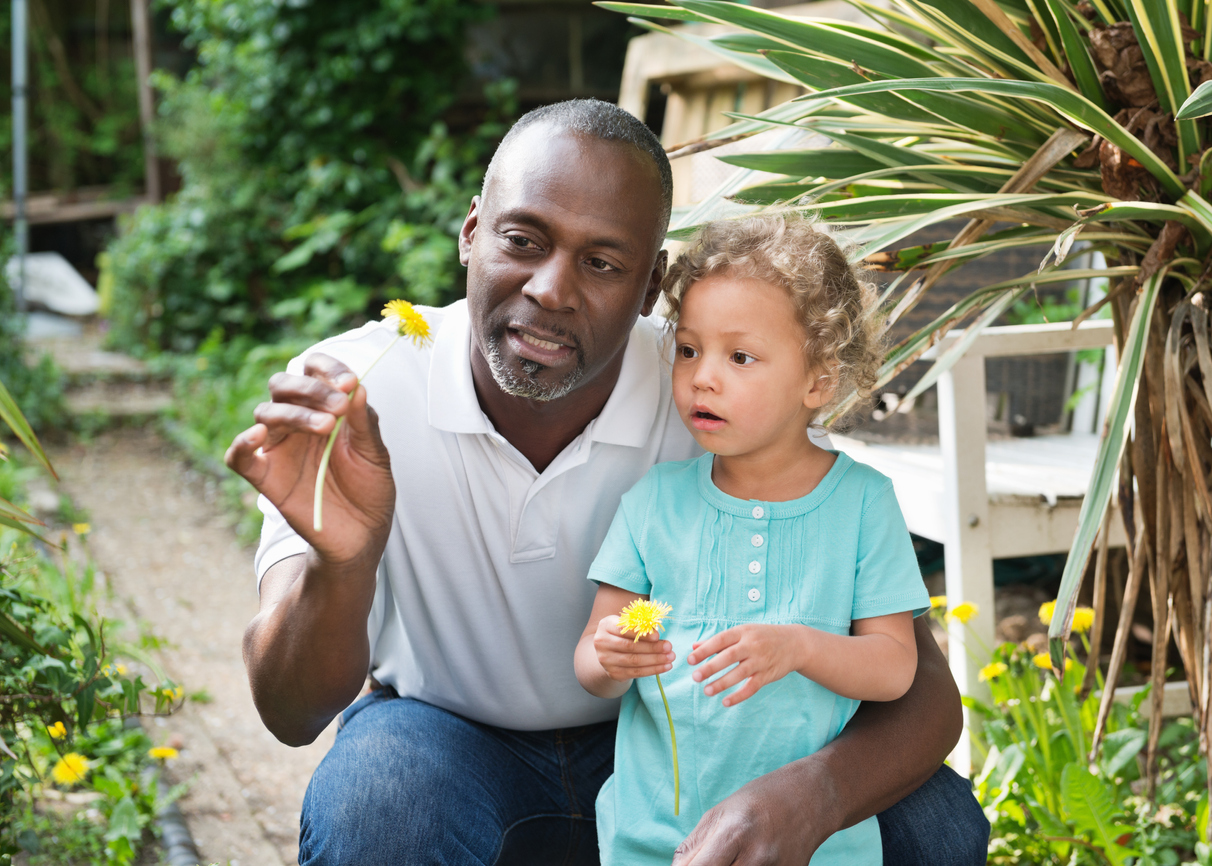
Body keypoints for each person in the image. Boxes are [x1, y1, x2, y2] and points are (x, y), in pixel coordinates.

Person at [225, 98, 989, 865]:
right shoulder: (362, 391)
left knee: (935, 822)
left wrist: (811, 796)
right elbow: (290, 711)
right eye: (523, 239)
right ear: (470, 232)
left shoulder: (713, 386)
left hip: (685, 745)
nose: (552, 289)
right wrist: (344, 564)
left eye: (602, 263)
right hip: (448, 744)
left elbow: (919, 689)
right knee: (377, 799)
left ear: (652, 283)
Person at [576, 213, 930, 865]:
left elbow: (894, 667)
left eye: (739, 357)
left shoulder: (862, 503)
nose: (703, 377)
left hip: (814, 845)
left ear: (818, 380)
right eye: (689, 350)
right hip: (655, 840)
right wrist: (609, 656)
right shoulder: (655, 501)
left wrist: (798, 647)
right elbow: (593, 664)